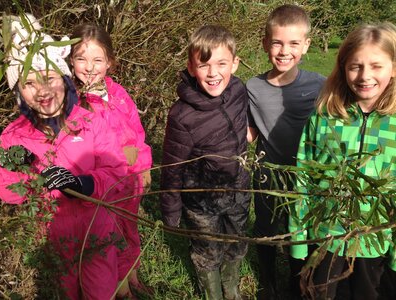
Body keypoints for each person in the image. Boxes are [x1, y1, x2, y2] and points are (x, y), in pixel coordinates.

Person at [0, 15, 130, 299]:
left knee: (100, 293)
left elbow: (117, 170)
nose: (43, 92)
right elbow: (6, 189)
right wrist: (31, 177)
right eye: (29, 83)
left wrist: (86, 184)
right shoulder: (13, 137)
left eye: (49, 79)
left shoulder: (90, 121)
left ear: (65, 80)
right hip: (55, 241)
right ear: (18, 92)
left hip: (98, 234)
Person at [289, 22, 396, 299]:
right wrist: (300, 240)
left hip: (375, 242)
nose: (364, 76)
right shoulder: (325, 116)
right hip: (326, 237)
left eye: (376, 66)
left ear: (394, 68)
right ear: (343, 67)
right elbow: (303, 177)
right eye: (355, 66)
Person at [160, 24, 251, 300]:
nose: (213, 73)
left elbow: (243, 121)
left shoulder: (238, 90)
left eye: (222, 63)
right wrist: (170, 208)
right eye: (204, 64)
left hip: (239, 188)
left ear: (235, 64)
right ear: (191, 67)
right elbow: (171, 165)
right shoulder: (182, 116)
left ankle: (231, 286)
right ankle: (213, 293)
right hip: (201, 198)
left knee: (237, 240)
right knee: (207, 249)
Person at [246, 4, 325, 299]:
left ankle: (298, 283)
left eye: (293, 43)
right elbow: (249, 132)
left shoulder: (319, 84)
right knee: (266, 230)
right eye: (277, 42)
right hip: (269, 175)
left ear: (305, 45)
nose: (284, 51)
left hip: (309, 177)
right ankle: (268, 283)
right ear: (266, 43)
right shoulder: (253, 87)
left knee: (301, 232)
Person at [69, 23, 153, 298]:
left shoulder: (117, 94)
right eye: (81, 59)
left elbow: (137, 134)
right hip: (105, 187)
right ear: (70, 61)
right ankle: (120, 286)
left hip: (130, 181)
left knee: (130, 227)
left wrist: (143, 166)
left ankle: (133, 272)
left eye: (97, 60)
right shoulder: (75, 103)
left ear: (109, 63)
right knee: (111, 236)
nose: (90, 67)